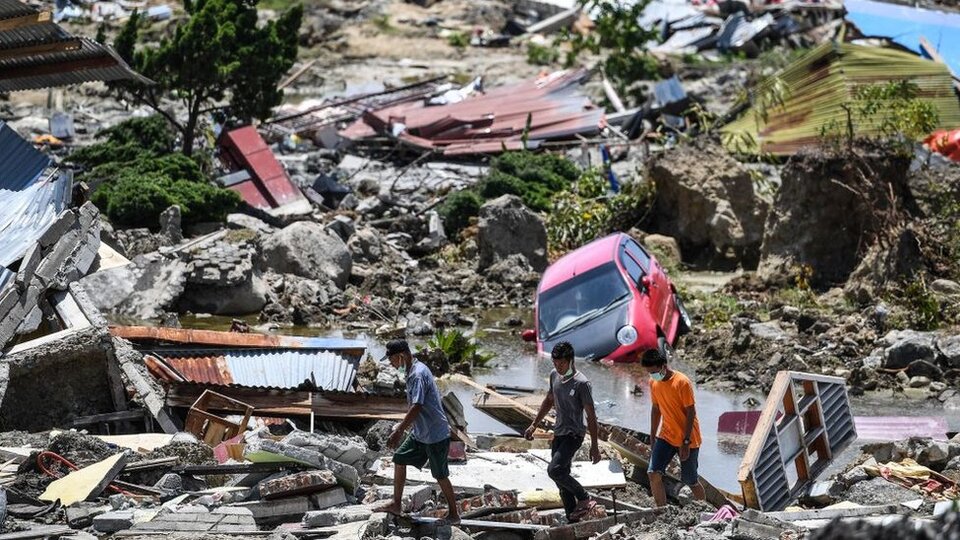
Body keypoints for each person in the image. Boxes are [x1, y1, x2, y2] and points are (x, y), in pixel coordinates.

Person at [381, 339, 460, 524]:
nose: (391, 364)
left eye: (392, 360)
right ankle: (397, 504)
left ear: (401, 356)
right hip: (420, 432)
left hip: (435, 434)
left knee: (440, 475)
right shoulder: (412, 370)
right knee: (399, 458)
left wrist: (400, 430)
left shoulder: (417, 374)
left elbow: (417, 406)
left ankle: (455, 515)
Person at [524, 341, 601, 523]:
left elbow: (591, 417)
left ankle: (584, 497)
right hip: (558, 433)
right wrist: (534, 424)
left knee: (555, 470)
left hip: (574, 435)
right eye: (555, 363)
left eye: (561, 364)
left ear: (570, 361)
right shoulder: (554, 376)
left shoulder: (582, 384)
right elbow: (549, 400)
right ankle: (572, 519)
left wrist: (595, 447)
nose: (558, 367)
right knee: (561, 483)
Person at [641, 347, 705, 506]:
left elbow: (691, 412)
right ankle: (662, 511)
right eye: (649, 372)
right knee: (653, 473)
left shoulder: (682, 382)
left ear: (663, 366)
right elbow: (656, 409)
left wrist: (685, 442)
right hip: (666, 435)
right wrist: (652, 435)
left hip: (688, 438)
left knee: (690, 480)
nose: (652, 375)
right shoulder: (653, 382)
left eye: (654, 371)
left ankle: (704, 510)